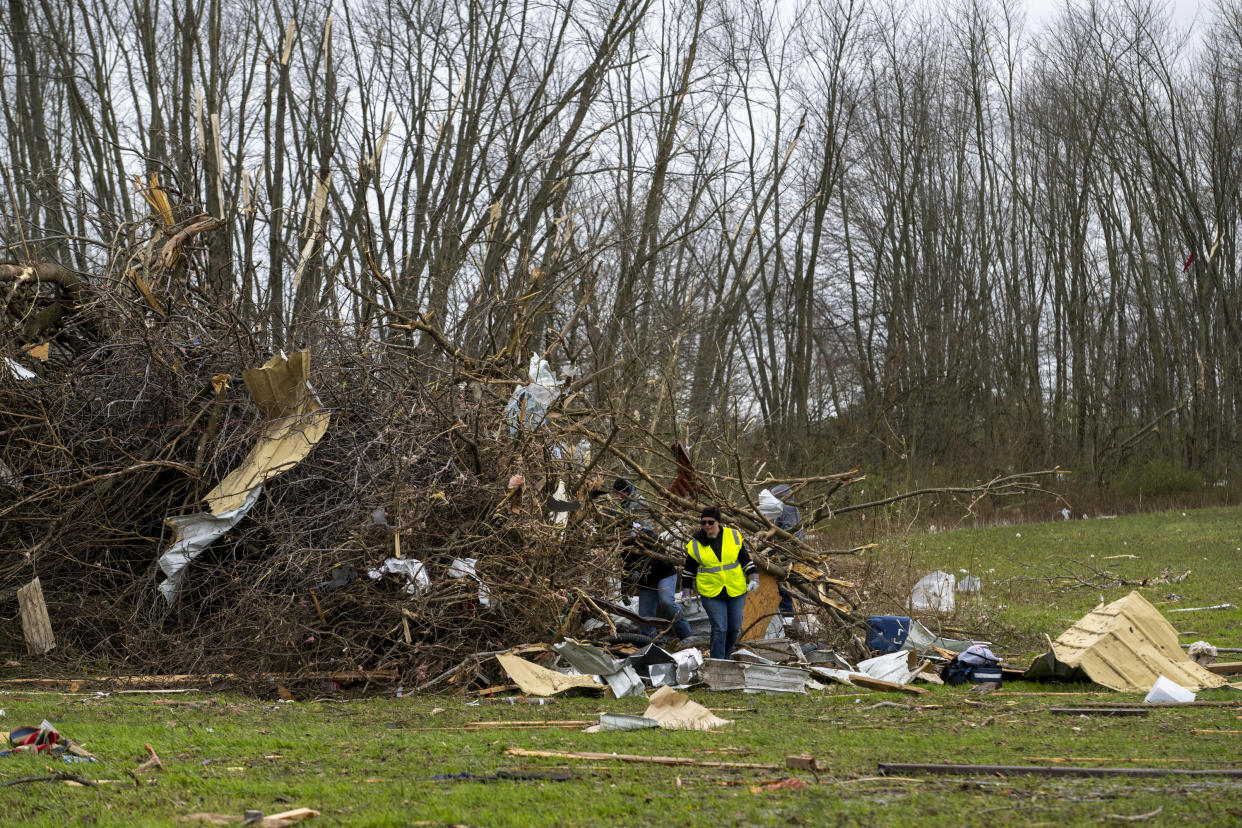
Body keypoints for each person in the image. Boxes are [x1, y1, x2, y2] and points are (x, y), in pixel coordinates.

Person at [610, 479, 691, 642]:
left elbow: (658, 561)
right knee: (644, 616)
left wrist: (640, 571)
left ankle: (686, 635)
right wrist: (624, 591)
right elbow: (626, 567)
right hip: (646, 581)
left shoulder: (650, 539)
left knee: (667, 603)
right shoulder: (626, 545)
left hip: (663, 574)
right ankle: (652, 641)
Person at [683, 506, 757, 660]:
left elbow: (745, 560)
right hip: (711, 592)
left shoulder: (733, 536)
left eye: (711, 522)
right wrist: (686, 593)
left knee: (734, 628)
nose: (707, 526)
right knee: (720, 628)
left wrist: (753, 577)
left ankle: (726, 658)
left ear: (718, 522)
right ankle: (718, 662)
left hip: (735, 589)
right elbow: (688, 571)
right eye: (703, 523)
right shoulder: (696, 543)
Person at [769, 484, 802, 624]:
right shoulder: (784, 508)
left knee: (784, 587)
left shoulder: (787, 507)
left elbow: (790, 532)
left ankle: (788, 620)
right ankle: (785, 619)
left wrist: (775, 545)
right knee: (781, 587)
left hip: (785, 554)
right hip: (782, 553)